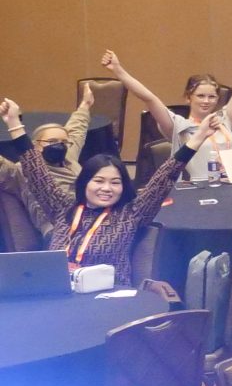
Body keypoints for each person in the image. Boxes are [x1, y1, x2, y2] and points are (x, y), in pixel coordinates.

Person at [0, 101, 189, 286]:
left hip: (106, 293)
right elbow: (34, 169)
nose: (106, 188)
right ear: (84, 183)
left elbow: (164, 178)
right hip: (61, 287)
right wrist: (14, 123)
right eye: (98, 181)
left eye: (115, 182)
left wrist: (84, 107)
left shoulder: (129, 214)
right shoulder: (63, 208)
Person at [106, 42, 232, 180]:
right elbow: (149, 98)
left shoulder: (224, 118)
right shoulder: (179, 126)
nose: (206, 101)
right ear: (188, 98)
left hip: (231, 183)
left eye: (211, 97)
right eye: (200, 96)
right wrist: (118, 70)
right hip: (200, 189)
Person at [0, 83, 97, 205]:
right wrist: (13, 122)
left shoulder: (68, 157)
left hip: (88, 208)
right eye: (52, 141)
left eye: (64, 142)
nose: (60, 145)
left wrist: (85, 105)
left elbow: (76, 130)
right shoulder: (23, 170)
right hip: (57, 214)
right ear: (36, 145)